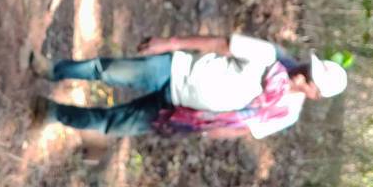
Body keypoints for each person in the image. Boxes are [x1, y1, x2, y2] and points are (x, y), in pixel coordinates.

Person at [29, 33, 347, 140]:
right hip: (175, 70)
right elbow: (222, 44)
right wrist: (170, 43)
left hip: (182, 112)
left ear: (314, 95)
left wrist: (211, 132)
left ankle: (55, 113)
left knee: (112, 123)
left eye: (309, 80)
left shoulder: (286, 113)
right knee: (109, 71)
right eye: (306, 70)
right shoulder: (270, 55)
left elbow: (248, 129)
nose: (300, 76)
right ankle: (54, 70)